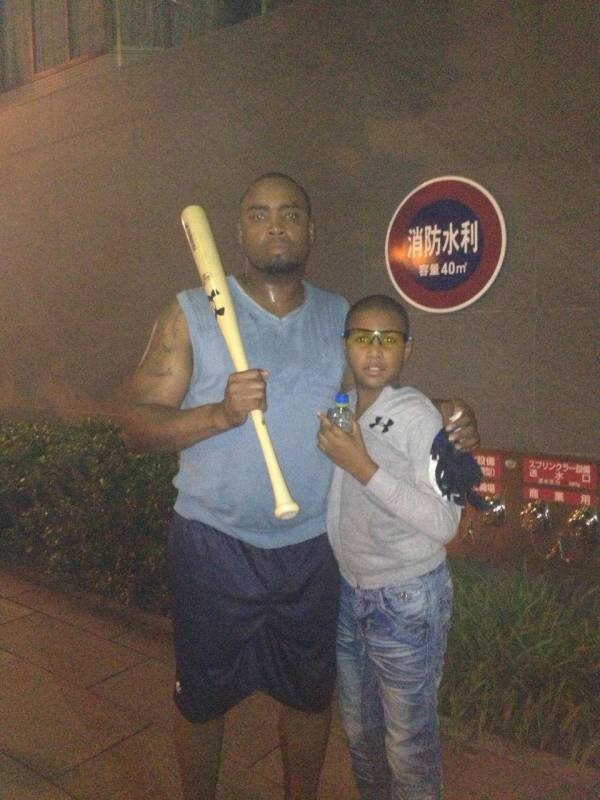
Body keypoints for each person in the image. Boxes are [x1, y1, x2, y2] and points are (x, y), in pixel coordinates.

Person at [122, 174, 479, 800]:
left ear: (310, 231)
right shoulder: (189, 313)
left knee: (310, 697)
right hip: (214, 544)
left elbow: (375, 398)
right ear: (239, 232)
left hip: (314, 548)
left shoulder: (340, 317)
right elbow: (136, 424)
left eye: (290, 214)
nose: (276, 226)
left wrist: (444, 411)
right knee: (202, 700)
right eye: (259, 214)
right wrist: (219, 414)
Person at [317, 294, 471, 800]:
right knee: (360, 735)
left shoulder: (418, 415)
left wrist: (362, 466)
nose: (375, 350)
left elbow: (445, 521)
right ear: (346, 345)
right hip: (351, 592)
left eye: (389, 339)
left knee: (408, 746)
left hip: (406, 598)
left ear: (407, 349)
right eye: (363, 338)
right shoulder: (344, 406)